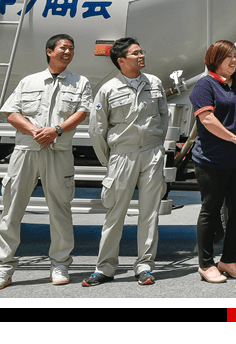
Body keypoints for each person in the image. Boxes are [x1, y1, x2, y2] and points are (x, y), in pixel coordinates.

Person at [0, 34, 91, 292]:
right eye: (63, 48)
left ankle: (60, 264)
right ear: (49, 51)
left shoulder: (80, 82)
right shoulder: (28, 81)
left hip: (58, 150)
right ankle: (3, 268)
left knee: (60, 209)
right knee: (12, 211)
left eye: (71, 49)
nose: (68, 52)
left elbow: (82, 112)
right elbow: (12, 112)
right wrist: (36, 132)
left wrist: (55, 130)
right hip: (26, 150)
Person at [82, 37, 167, 287]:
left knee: (149, 213)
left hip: (151, 153)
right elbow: (97, 130)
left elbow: (163, 115)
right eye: (135, 53)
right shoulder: (108, 89)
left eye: (141, 52)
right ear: (121, 60)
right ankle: (105, 268)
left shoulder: (154, 83)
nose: (141, 56)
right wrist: (111, 160)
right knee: (114, 213)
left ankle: (144, 266)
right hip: (122, 155)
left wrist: (157, 147)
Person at [190, 40, 236, 283]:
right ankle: (206, 264)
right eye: (228, 56)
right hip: (212, 159)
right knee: (210, 210)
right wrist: (233, 138)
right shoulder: (204, 86)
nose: (234, 60)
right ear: (214, 59)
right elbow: (207, 119)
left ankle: (228, 260)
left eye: (235, 55)